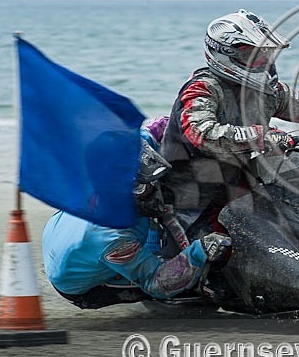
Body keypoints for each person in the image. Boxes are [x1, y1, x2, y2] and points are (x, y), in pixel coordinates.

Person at [160, 9, 299, 213]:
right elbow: (203, 133)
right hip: (189, 198)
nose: (262, 61)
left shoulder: (268, 91)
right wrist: (263, 137)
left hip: (239, 188)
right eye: (252, 55)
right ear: (225, 54)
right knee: (220, 243)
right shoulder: (202, 89)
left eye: (264, 54)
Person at [42, 121, 231, 309]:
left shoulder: (112, 160)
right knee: (180, 287)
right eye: (143, 185)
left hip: (64, 231)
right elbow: (157, 282)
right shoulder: (112, 238)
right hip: (77, 283)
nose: (153, 185)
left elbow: (158, 127)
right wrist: (200, 251)